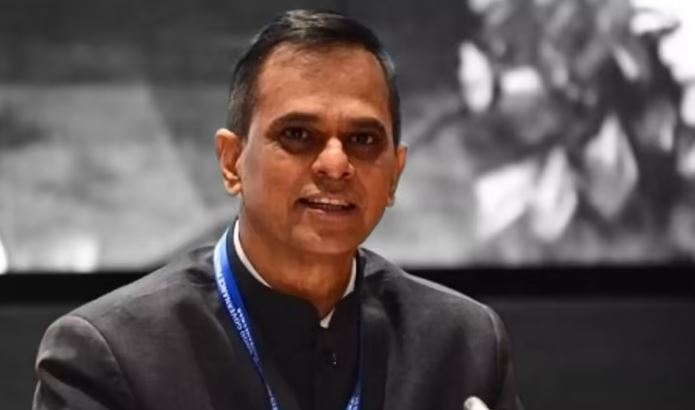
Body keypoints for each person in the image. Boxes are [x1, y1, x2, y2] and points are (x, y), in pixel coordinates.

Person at [32, 10, 523, 410]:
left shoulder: (464, 343)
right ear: (231, 163)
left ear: (394, 174)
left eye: (363, 139)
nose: (336, 164)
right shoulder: (108, 355)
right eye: (298, 135)